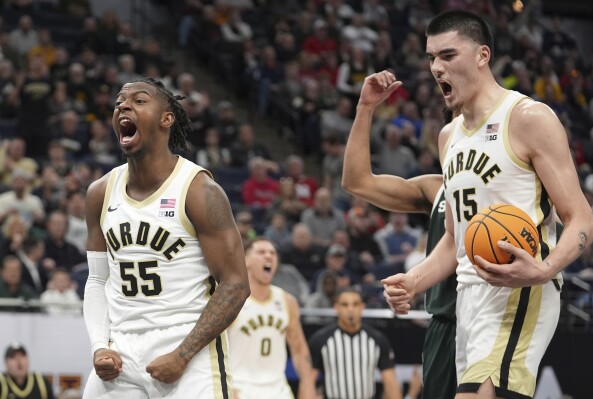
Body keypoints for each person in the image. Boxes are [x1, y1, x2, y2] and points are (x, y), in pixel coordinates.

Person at [382, 10, 593, 399]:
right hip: (468, 297)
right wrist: (413, 281)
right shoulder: (448, 137)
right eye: (431, 58)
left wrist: (543, 270)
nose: (436, 67)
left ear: (482, 55)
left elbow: (580, 218)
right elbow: (454, 239)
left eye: (448, 56)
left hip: (518, 289)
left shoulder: (528, 117)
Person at [82, 77, 250, 398]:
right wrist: (100, 345)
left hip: (187, 343)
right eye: (119, 102)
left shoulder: (200, 190)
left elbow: (236, 284)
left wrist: (183, 355)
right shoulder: (99, 193)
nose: (124, 106)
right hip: (121, 348)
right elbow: (96, 281)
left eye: (139, 100)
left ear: (166, 119)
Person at [342, 69, 456, 398]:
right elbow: (357, 181)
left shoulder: (508, 184)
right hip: (443, 322)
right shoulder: (435, 187)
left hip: (490, 315)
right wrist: (365, 109)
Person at [228, 237, 316, 399]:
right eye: (261, 252)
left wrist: (308, 383)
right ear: (246, 260)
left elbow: (298, 348)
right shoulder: (231, 300)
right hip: (240, 388)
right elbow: (214, 350)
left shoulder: (287, 301)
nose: (269, 256)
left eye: (273, 253)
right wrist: (226, 386)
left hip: (279, 389)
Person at [308, 288, 402, 399]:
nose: (350, 309)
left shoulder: (377, 340)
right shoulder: (320, 340)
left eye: (355, 304)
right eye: (345, 305)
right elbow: (308, 382)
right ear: (336, 307)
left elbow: (390, 383)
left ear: (362, 307)